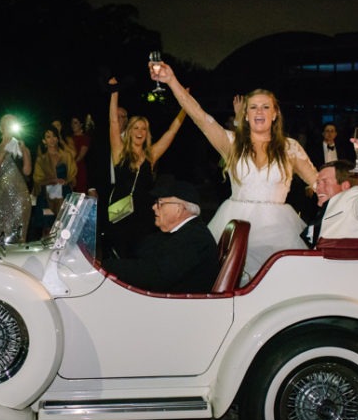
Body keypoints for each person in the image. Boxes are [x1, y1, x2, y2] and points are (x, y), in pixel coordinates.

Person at [150, 60, 318, 279]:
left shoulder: (290, 147)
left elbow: (319, 183)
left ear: (275, 114)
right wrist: (171, 81)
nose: (259, 112)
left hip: (279, 231)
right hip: (236, 224)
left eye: (266, 107)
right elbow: (199, 116)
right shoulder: (231, 142)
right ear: (245, 115)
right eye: (253, 107)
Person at [105, 76, 186, 258]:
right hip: (121, 212)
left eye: (143, 129)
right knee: (120, 255)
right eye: (136, 128)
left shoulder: (151, 155)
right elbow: (113, 122)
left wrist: (184, 108)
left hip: (144, 216)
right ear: (130, 131)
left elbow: (171, 131)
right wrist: (114, 92)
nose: (140, 132)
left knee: (142, 256)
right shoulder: (120, 152)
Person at [102, 178, 219, 293]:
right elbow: (141, 253)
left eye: (160, 203)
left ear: (178, 209)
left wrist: (104, 266)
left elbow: (153, 276)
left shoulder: (195, 239)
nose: (154, 207)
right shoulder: (182, 232)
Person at [302, 131, 358, 246]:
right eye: (318, 182)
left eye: (325, 182)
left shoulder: (353, 201)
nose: (318, 187)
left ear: (345, 186)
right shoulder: (325, 208)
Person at [0, 114, 33, 241]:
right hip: (1, 197)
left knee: (19, 237)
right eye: (7, 125)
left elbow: (27, 171)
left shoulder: (22, 149)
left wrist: (24, 151)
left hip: (20, 198)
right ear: (1, 128)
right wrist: (4, 151)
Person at [32, 124, 77, 237]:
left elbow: (73, 173)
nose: (51, 139)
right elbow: (37, 179)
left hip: (64, 194)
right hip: (47, 196)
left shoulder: (66, 156)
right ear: (44, 141)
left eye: (54, 136)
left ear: (57, 138)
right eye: (48, 137)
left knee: (65, 227)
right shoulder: (41, 159)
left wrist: (66, 181)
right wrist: (52, 180)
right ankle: (46, 253)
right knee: (47, 227)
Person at [70, 115, 91, 191]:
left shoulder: (84, 138)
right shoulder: (69, 138)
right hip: (70, 169)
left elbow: (81, 156)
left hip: (79, 168)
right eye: (72, 123)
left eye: (75, 123)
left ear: (81, 124)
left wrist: (71, 165)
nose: (73, 125)